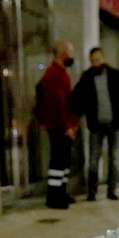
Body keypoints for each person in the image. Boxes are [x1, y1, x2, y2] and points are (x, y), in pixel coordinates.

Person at [72, 47, 119, 201]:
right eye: (93, 61)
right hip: (95, 126)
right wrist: (80, 114)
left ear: (103, 58)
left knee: (113, 159)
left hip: (114, 124)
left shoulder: (114, 74)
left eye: (98, 59)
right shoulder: (87, 76)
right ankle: (92, 192)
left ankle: (111, 190)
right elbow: (76, 96)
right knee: (93, 160)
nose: (96, 63)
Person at [35, 40, 79, 209]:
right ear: (62, 53)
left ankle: (60, 193)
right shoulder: (55, 74)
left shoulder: (60, 73)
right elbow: (58, 103)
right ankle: (54, 197)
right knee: (58, 161)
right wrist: (67, 125)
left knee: (63, 161)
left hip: (60, 124)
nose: (72, 55)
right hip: (59, 126)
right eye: (70, 52)